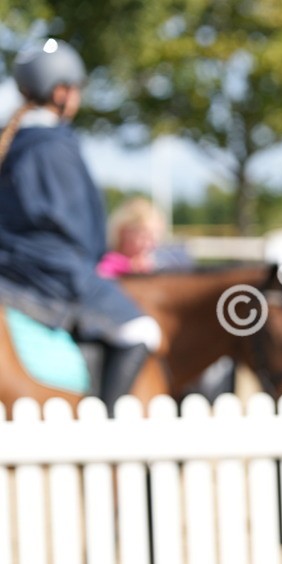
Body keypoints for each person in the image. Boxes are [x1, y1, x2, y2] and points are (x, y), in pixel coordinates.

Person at [0, 38, 164, 408]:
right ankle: (105, 431)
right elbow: (79, 228)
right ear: (60, 92)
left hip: (11, 273)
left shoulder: (14, 142)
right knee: (143, 329)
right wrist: (93, 262)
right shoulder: (54, 145)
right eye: (75, 89)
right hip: (53, 274)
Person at [97, 196, 165, 278]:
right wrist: (129, 267)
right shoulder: (110, 262)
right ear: (124, 233)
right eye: (145, 237)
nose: (152, 244)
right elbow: (102, 275)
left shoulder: (148, 264)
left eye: (154, 239)